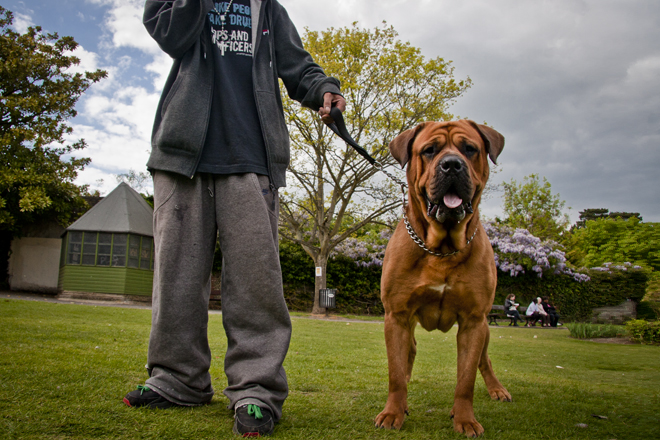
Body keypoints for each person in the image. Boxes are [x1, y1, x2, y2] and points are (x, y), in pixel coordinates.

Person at [122, 1, 346, 437]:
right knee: (177, 278)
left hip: (251, 157)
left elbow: (298, 65)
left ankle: (256, 390)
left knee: (256, 281)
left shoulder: (267, 7)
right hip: (182, 155)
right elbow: (170, 34)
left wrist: (323, 89)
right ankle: (176, 379)